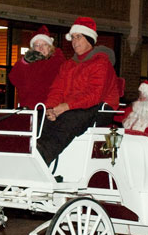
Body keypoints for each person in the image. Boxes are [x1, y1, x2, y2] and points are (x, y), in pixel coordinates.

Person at [37, 17, 120, 164]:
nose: (74, 42)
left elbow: (94, 95)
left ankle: (42, 157)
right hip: (72, 107)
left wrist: (65, 107)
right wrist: (50, 108)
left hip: (99, 108)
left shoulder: (101, 63)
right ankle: (30, 150)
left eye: (79, 37)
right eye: (73, 38)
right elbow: (57, 89)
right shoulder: (68, 65)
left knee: (70, 119)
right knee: (41, 118)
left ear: (89, 39)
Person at [8, 25, 65, 109]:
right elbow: (14, 79)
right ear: (33, 49)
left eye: (44, 44)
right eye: (37, 45)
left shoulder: (58, 62)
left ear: (50, 47)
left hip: (50, 109)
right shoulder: (28, 64)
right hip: (29, 109)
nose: (41, 48)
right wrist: (24, 62)